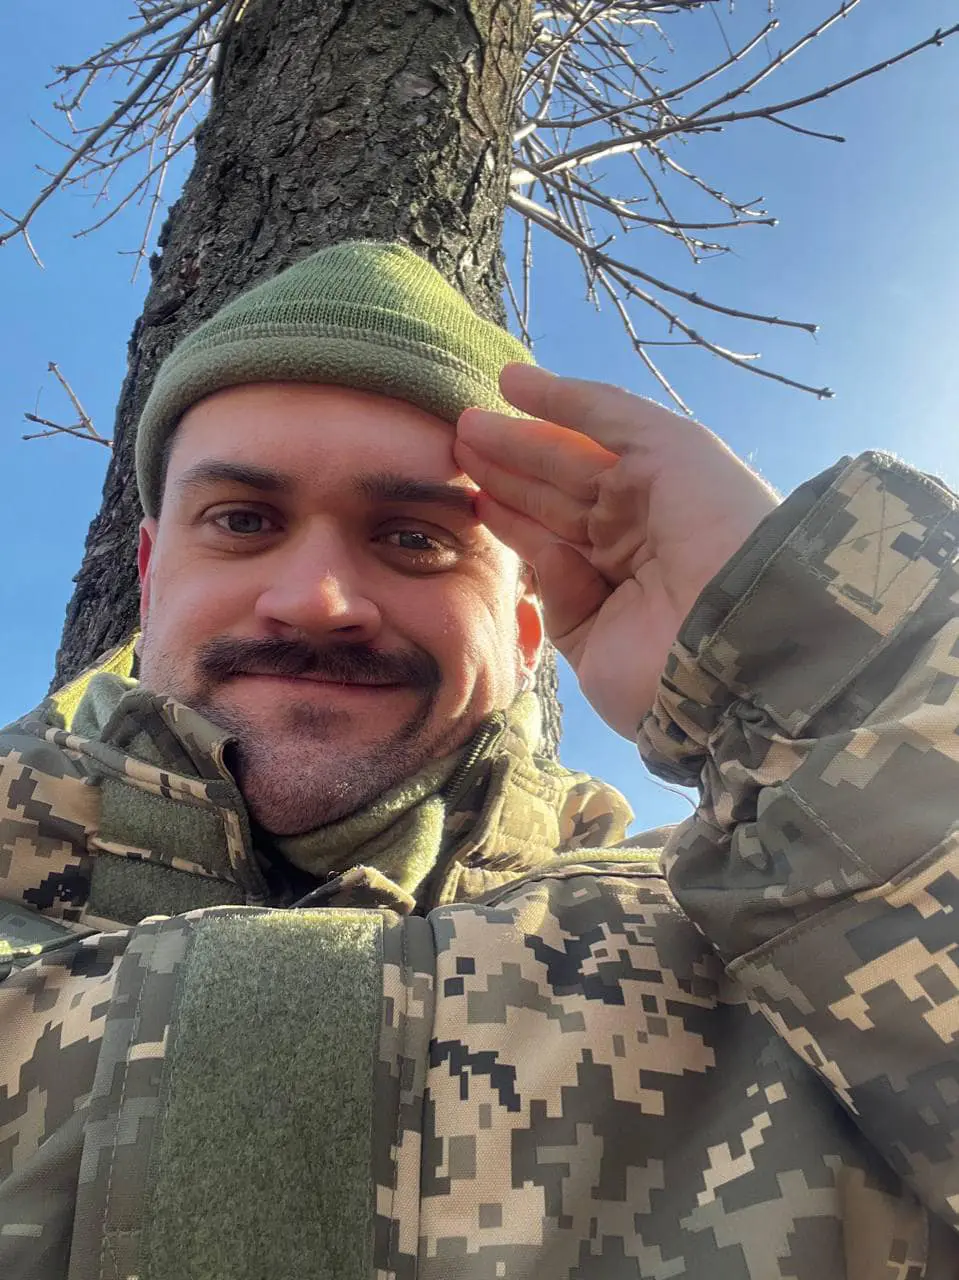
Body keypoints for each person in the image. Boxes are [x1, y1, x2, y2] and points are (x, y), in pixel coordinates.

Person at [1, 240, 957, 1280]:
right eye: (242, 520)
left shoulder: (773, 947)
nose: (316, 598)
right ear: (149, 577)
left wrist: (811, 673)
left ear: (525, 626)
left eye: (413, 538)